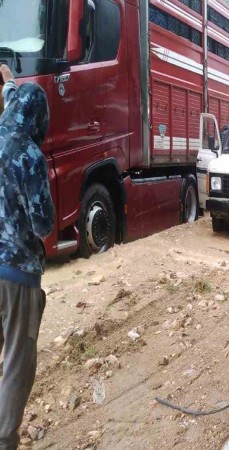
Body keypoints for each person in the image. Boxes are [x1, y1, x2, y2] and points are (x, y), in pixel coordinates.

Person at [0, 65, 54, 450]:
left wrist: (9, 84)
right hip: (17, 275)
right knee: (17, 363)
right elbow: (43, 224)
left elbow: (11, 105)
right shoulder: (30, 157)